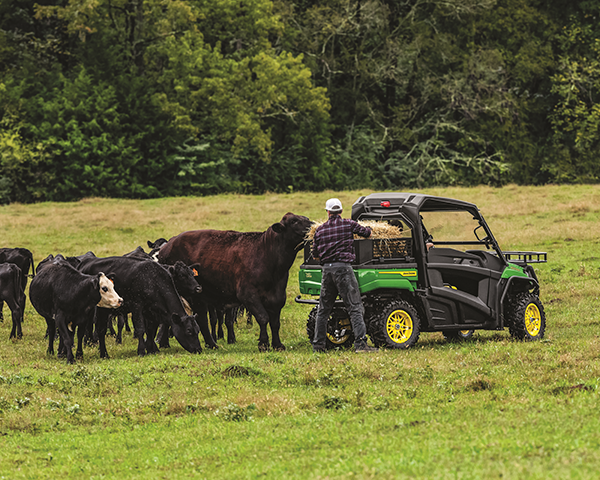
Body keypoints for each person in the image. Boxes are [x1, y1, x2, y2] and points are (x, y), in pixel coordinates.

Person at [311, 198, 378, 353]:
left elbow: (315, 255)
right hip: (344, 270)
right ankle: (361, 345)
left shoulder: (319, 230)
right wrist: (368, 227)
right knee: (354, 307)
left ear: (327, 212)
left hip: (327, 271)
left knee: (323, 310)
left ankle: (318, 346)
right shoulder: (348, 224)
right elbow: (367, 233)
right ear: (340, 211)